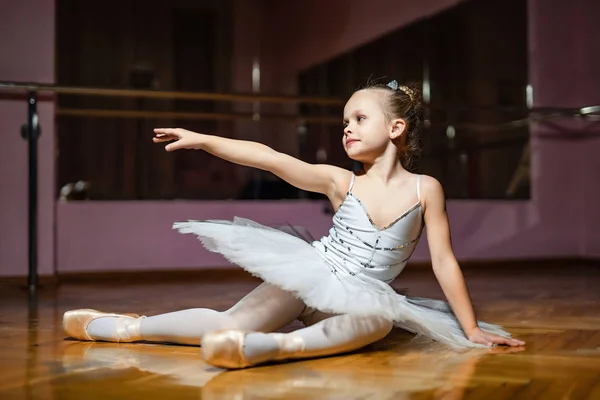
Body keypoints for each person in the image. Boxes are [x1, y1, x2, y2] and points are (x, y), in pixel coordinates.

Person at [62, 80, 525, 370]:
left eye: (359, 118)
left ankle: (267, 349)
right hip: (313, 274)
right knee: (230, 321)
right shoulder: (340, 181)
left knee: (379, 323)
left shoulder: (427, 189)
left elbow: (444, 260)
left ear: (397, 128)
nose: (347, 128)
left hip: (362, 295)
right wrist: (204, 140)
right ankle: (123, 328)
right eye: (344, 121)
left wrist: (470, 328)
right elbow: (271, 158)